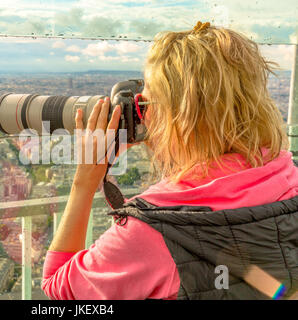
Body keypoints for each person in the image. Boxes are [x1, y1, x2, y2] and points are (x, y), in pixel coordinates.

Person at [41, 21, 298, 300]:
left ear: (180, 117)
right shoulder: (289, 181)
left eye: (146, 104)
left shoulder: (154, 231)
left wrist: (85, 181)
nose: (143, 115)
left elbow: (59, 289)